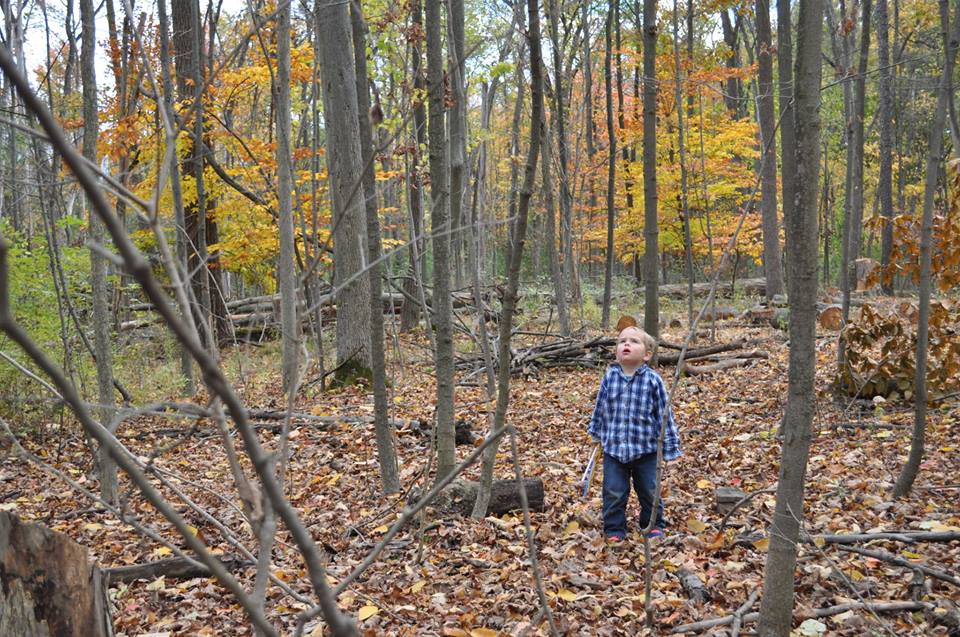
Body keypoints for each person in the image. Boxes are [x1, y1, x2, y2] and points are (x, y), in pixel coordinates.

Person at [587, 326, 681, 542]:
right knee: (613, 491)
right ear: (616, 351)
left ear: (646, 355)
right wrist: (596, 433)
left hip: (646, 450)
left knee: (650, 491)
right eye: (622, 341)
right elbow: (600, 408)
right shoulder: (610, 377)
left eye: (633, 341)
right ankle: (614, 529)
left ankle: (653, 524)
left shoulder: (653, 380)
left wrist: (669, 447)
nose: (626, 344)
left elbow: (664, 415)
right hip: (614, 449)